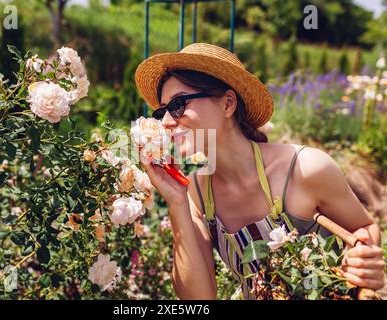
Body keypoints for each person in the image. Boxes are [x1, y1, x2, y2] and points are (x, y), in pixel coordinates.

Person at [134, 43, 385, 299]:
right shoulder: (198, 194)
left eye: (177, 104)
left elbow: (364, 228)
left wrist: (362, 258)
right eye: (161, 111)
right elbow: (199, 299)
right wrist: (176, 203)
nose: (165, 121)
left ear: (227, 104)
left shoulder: (304, 168)